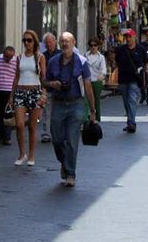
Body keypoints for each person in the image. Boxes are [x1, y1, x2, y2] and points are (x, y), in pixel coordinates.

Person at [44, 32, 96, 187]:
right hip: (58, 103)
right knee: (57, 139)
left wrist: (92, 110)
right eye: (62, 41)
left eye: (67, 41)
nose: (64, 44)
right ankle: (64, 162)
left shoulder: (82, 61)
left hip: (76, 104)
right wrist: (52, 84)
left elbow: (87, 86)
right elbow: (45, 82)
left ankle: (71, 174)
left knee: (72, 140)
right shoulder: (53, 61)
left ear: (73, 42)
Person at [9, 30, 46, 166]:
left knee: (32, 126)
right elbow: (16, 76)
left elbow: (44, 78)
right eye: (24, 40)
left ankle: (31, 155)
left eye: (29, 40)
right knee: (19, 125)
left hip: (35, 92)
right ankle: (21, 153)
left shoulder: (40, 57)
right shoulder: (19, 57)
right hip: (20, 91)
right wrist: (11, 96)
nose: (26, 43)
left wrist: (43, 94)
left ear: (34, 41)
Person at [114, 29, 147, 133]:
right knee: (126, 101)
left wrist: (142, 74)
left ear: (134, 37)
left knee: (132, 100)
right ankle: (130, 121)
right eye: (126, 37)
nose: (128, 39)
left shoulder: (141, 49)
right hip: (123, 79)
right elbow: (117, 62)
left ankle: (132, 123)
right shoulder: (120, 49)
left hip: (135, 80)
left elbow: (145, 63)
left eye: (130, 37)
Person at [40, 33, 59, 143]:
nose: (49, 44)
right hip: (47, 87)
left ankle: (56, 132)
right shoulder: (43, 56)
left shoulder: (61, 54)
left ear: (55, 42)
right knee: (47, 111)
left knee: (58, 112)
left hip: (59, 88)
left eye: (50, 42)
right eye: (47, 42)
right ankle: (46, 134)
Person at [84, 38, 106, 121]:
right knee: (87, 99)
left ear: (98, 46)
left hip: (96, 81)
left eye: (95, 45)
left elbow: (103, 69)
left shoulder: (101, 57)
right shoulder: (85, 56)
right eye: (91, 45)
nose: (93, 47)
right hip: (87, 81)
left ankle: (96, 118)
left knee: (96, 100)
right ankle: (87, 117)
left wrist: (101, 76)